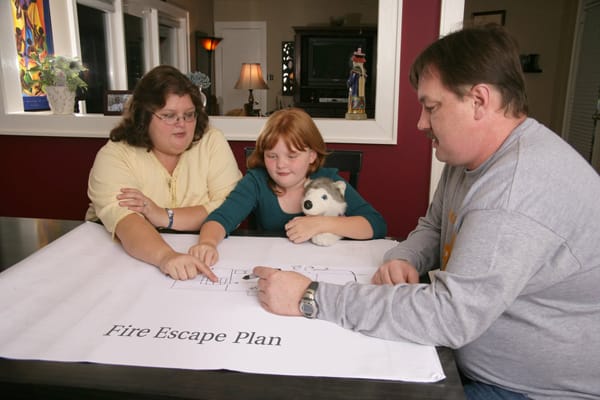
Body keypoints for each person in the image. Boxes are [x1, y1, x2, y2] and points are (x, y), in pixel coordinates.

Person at [252, 25, 600, 400]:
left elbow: (449, 317)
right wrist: (406, 256)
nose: (420, 122)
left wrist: (312, 297)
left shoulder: (515, 190)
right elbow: (434, 225)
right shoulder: (469, 158)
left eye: (431, 107)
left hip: (524, 389)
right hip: (467, 359)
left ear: (479, 101)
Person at [86, 65, 242, 281]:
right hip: (128, 263)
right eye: (169, 116)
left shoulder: (211, 141)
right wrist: (166, 257)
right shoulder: (115, 155)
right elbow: (128, 222)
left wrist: (163, 216)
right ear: (144, 118)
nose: (182, 125)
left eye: (189, 115)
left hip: (205, 254)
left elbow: (232, 207)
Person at [189, 107, 387, 266]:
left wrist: (321, 224)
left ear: (312, 155)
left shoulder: (328, 181)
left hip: (323, 267)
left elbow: (376, 224)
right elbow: (220, 218)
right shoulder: (256, 181)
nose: (280, 164)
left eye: (291, 156)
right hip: (273, 267)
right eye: (271, 156)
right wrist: (207, 243)